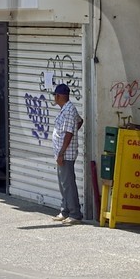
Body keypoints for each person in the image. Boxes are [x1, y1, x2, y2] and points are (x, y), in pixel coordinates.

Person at [50, 82, 84, 224]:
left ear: (59, 96)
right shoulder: (67, 109)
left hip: (66, 154)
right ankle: (65, 211)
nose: (54, 98)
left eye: (55, 96)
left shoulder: (69, 110)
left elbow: (69, 133)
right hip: (63, 153)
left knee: (68, 183)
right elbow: (79, 121)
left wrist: (61, 153)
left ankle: (75, 213)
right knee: (63, 183)